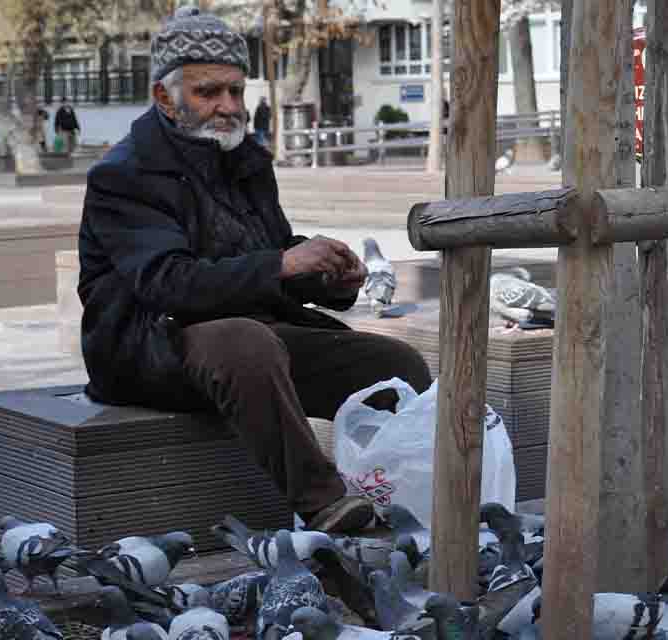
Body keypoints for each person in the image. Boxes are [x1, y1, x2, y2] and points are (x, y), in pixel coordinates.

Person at [77, 7, 431, 535]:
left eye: (236, 92)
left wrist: (324, 275)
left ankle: (402, 486)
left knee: (392, 363)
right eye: (208, 92)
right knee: (247, 344)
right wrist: (284, 263)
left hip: (248, 331)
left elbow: (269, 253)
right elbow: (166, 284)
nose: (227, 107)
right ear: (163, 98)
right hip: (148, 345)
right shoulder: (124, 174)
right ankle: (325, 503)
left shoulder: (245, 158)